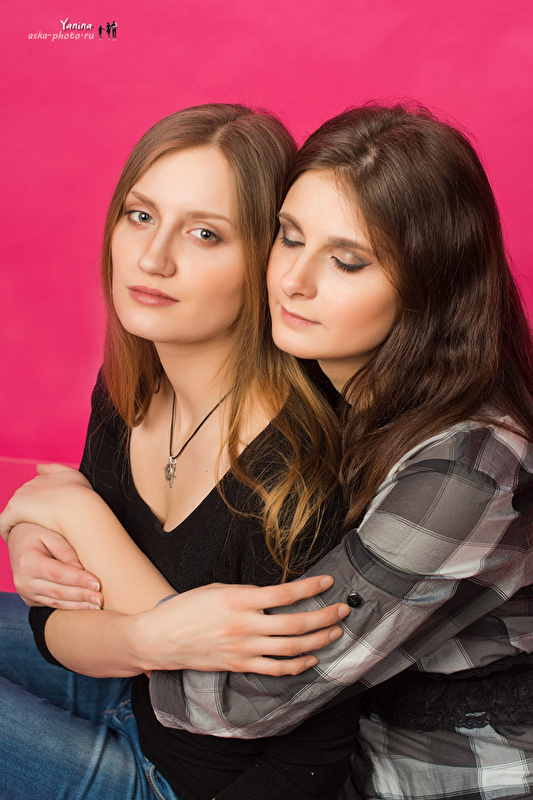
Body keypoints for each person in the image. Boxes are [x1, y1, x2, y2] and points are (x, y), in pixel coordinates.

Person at [6, 102, 533, 798]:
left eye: (346, 260)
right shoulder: (306, 383)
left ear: (430, 285)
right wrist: (43, 537)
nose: (292, 281)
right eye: (290, 237)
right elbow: (67, 613)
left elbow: (249, 699)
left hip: (422, 775)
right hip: (205, 715)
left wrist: (75, 515)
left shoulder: (459, 470)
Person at [0, 103, 357, 800]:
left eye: (203, 233)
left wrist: (76, 514)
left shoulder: (300, 466)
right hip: (128, 693)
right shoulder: (131, 388)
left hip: (191, 781)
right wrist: (142, 638)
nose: (153, 258)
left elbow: (307, 752)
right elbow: (57, 623)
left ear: (267, 260)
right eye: (140, 216)